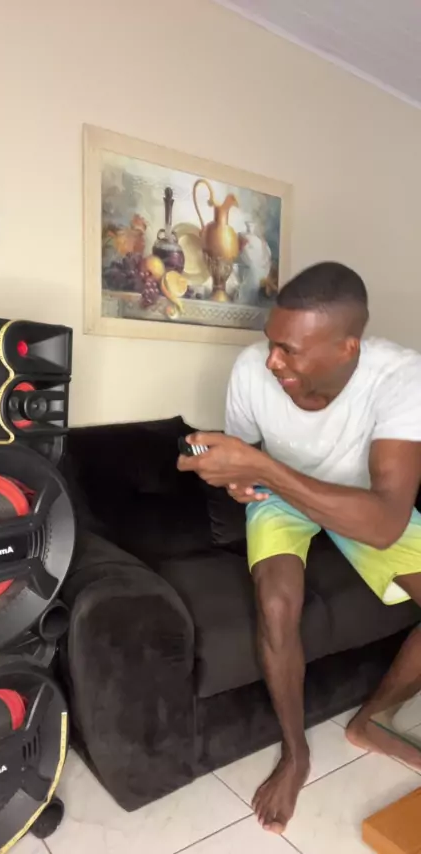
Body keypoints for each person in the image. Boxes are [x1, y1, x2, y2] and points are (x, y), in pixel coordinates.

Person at [177, 261, 421, 835]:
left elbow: (385, 522)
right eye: (271, 343)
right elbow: (246, 463)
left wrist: (262, 467)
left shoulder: (402, 378)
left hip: (361, 502)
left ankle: (372, 720)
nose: (271, 361)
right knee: (277, 605)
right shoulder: (250, 370)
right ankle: (296, 753)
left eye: (289, 350)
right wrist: (238, 479)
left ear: (346, 347)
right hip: (279, 498)